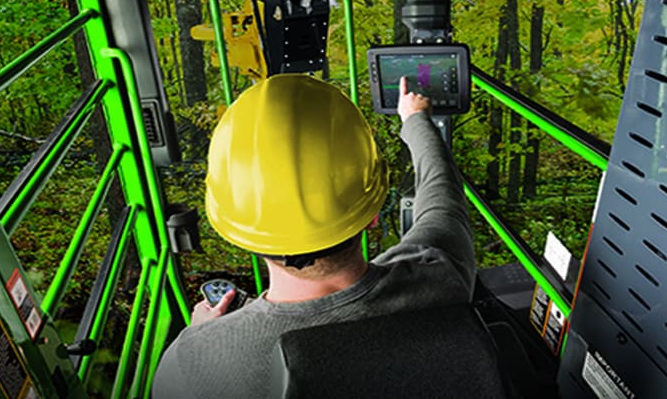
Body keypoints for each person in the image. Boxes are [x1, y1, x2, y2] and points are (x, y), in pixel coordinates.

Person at [152, 74, 474, 398]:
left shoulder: (192, 363)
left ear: (239, 234)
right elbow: (442, 196)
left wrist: (205, 336)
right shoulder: (441, 273)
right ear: (373, 216)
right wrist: (416, 119)